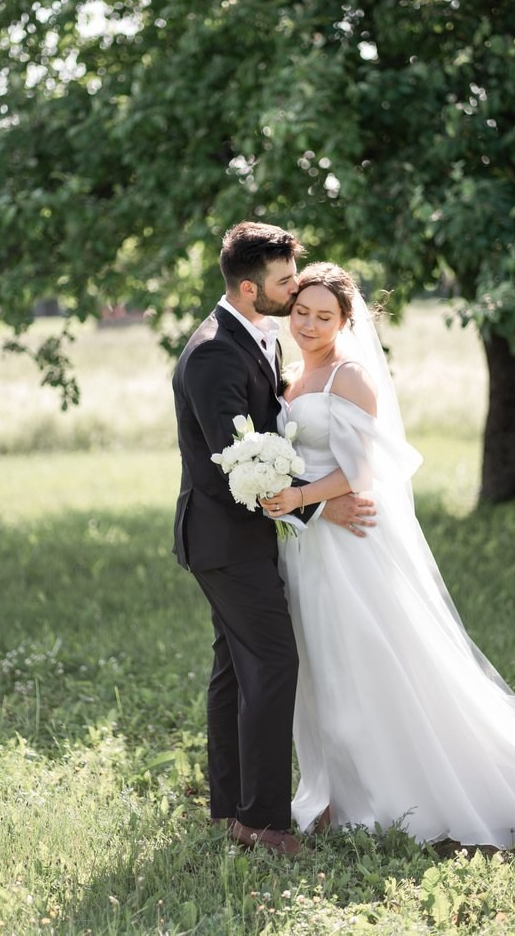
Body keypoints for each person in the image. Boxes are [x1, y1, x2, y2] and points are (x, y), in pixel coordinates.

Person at [260, 262, 515, 847]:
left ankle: (383, 795)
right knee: (318, 666)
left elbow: (364, 472)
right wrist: (292, 502)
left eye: (324, 316)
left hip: (349, 549)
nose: (310, 324)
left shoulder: (351, 376)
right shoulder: (290, 377)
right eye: (302, 312)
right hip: (308, 544)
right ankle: (332, 792)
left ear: (346, 321)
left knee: (358, 663)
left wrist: (301, 496)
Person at [171, 224, 376, 855]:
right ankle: (261, 821)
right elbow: (228, 465)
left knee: (235, 669)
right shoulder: (212, 352)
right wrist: (317, 509)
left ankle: (231, 808)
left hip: (249, 538)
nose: (295, 291)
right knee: (272, 662)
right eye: (287, 282)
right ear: (250, 285)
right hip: (224, 541)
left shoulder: (255, 338)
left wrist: (312, 499)